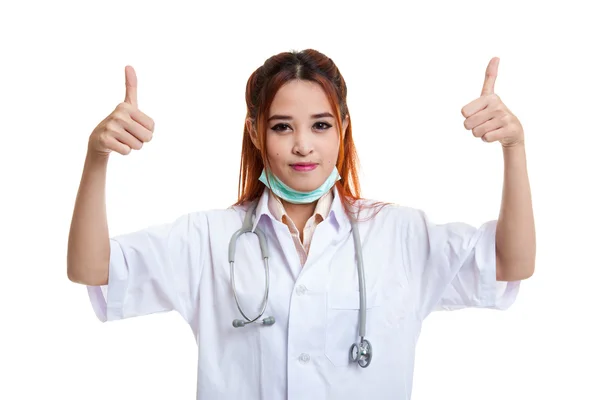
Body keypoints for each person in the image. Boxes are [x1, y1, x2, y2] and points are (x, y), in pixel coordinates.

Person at [67, 49, 535, 399]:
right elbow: (92, 269)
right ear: (255, 131)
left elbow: (509, 263)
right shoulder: (208, 238)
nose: (303, 146)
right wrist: (97, 157)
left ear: (343, 129)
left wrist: (514, 149)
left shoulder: (399, 234)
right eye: (282, 126)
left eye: (321, 125)